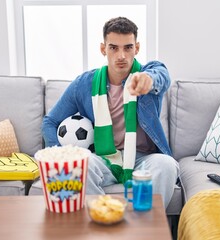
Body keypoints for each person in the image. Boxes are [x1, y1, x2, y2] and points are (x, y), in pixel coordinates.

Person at [42, 16, 179, 208]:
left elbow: (161, 74)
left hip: (143, 158)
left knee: (166, 165)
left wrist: (148, 79)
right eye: (114, 47)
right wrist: (58, 157)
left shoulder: (148, 73)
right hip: (103, 158)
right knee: (80, 163)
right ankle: (104, 221)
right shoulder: (84, 84)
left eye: (128, 47)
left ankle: (145, 230)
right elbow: (50, 121)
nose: (121, 55)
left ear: (136, 48)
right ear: (103, 49)